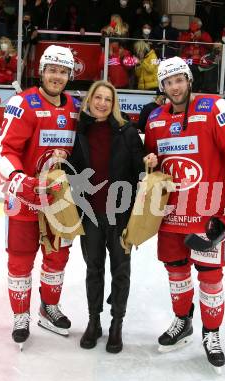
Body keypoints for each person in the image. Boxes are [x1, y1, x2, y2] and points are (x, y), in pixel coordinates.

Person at [144, 56, 225, 371]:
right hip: (171, 214)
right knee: (176, 272)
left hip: (209, 213)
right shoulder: (154, 119)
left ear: (189, 80)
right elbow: (153, 161)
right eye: (168, 82)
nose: (174, 87)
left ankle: (212, 333)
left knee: (210, 278)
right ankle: (183, 322)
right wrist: (149, 162)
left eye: (179, 80)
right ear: (162, 87)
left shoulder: (213, 107)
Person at [0, 45, 79, 348]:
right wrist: (19, 179)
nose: (57, 76)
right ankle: (20, 315)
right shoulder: (23, 103)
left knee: (58, 257)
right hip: (26, 198)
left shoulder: (74, 107)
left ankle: (49, 308)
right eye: (52, 70)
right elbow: (5, 149)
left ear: (69, 75)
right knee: (20, 259)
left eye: (63, 71)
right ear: (42, 71)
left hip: (59, 198)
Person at [68, 80, 145, 353]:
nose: (102, 103)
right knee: (93, 270)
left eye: (108, 100)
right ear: (89, 100)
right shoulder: (79, 132)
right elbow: (72, 172)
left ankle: (116, 325)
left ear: (114, 105)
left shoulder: (127, 132)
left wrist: (150, 163)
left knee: (120, 271)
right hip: (90, 214)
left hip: (120, 215)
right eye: (97, 97)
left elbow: (140, 173)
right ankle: (93, 322)